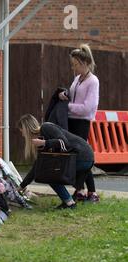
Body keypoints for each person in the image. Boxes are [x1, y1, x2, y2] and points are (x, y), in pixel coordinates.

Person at [17, 114, 94, 210]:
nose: (22, 135)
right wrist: (21, 186)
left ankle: (69, 203)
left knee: (49, 175)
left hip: (83, 157)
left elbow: (64, 142)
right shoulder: (40, 140)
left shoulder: (46, 128)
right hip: (83, 158)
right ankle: (70, 202)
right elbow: (36, 168)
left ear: (27, 129)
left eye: (22, 132)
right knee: (48, 172)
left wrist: (45, 143)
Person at [58, 43, 100, 202]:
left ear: (86, 63)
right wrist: (64, 95)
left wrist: (67, 106)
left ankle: (90, 191)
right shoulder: (77, 79)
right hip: (72, 121)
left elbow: (87, 107)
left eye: (76, 65)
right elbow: (74, 95)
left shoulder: (93, 81)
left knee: (83, 156)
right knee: (75, 155)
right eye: (72, 64)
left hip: (82, 122)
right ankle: (83, 191)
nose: (73, 68)